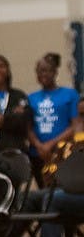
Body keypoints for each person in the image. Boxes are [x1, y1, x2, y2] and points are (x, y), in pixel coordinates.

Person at [27, 53, 79, 186]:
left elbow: (75, 125)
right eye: (39, 71)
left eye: (46, 70)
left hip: (62, 152)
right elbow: (28, 127)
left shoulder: (70, 94)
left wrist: (51, 144)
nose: (42, 74)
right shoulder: (31, 98)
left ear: (55, 72)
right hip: (38, 154)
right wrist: (40, 146)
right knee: (44, 192)